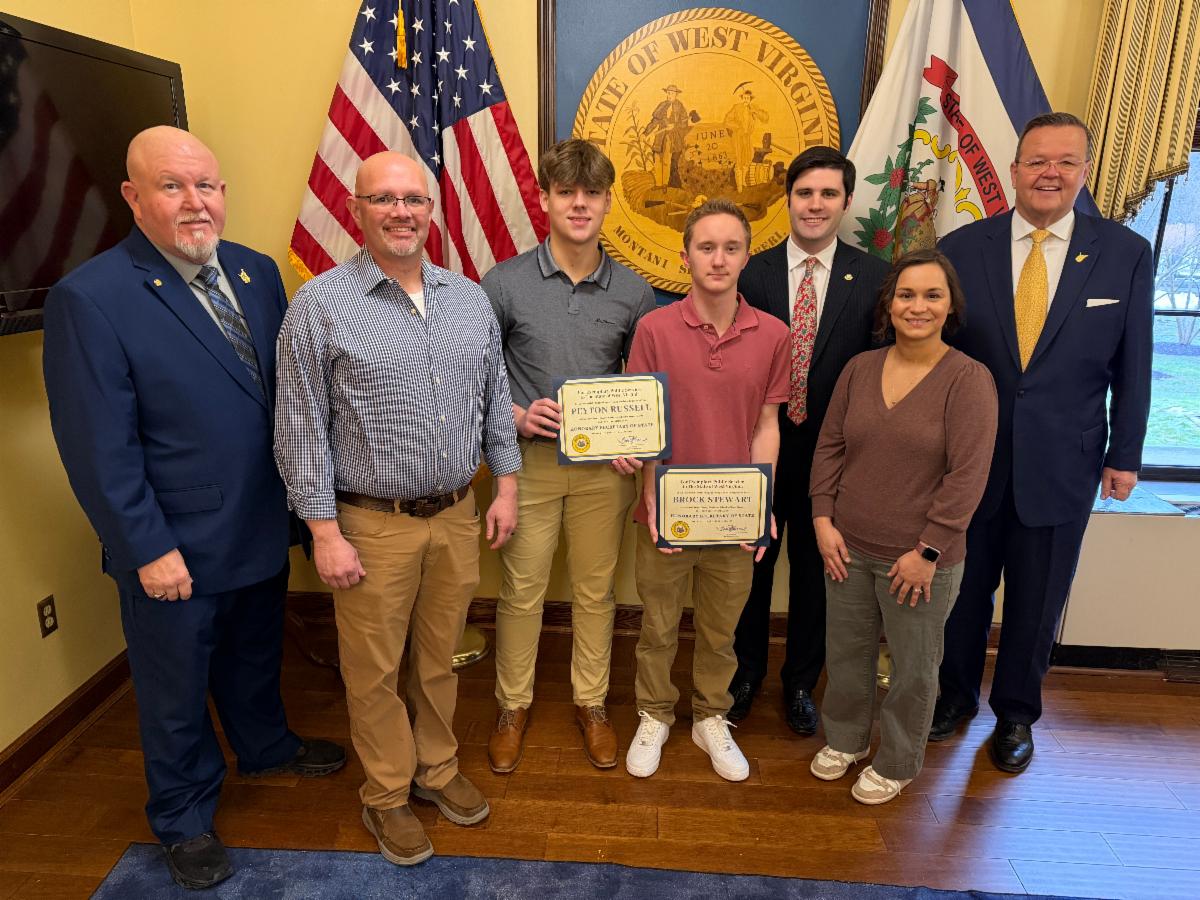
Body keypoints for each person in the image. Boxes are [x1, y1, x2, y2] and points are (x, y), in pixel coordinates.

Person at [42, 126, 345, 891]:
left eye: (206, 185)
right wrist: (146, 546)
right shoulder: (91, 297)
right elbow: (96, 446)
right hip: (172, 543)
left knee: (253, 656)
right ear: (133, 196)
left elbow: (280, 399)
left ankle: (266, 746)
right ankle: (182, 816)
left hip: (256, 521)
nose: (194, 202)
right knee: (174, 691)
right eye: (173, 186)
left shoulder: (254, 272)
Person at [273, 151, 521, 866]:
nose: (401, 212)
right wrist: (323, 531)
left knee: (440, 657)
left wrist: (504, 486)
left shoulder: (469, 298)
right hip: (368, 524)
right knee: (375, 668)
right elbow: (300, 428)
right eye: (384, 199)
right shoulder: (319, 304)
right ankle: (385, 794)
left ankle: (435, 771)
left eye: (413, 199)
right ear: (357, 210)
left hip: (455, 516)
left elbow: (492, 405)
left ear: (432, 209)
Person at [932, 112, 1153, 773]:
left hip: (1065, 461)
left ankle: (1017, 716)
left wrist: (1126, 455)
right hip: (970, 462)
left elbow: (1134, 364)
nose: (1050, 173)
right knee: (964, 593)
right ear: (1015, 169)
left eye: (1065, 161)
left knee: (1038, 597)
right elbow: (938, 358)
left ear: (1083, 171)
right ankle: (953, 699)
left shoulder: (1123, 253)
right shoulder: (964, 248)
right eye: (1037, 161)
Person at [481, 140, 656, 773]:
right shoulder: (503, 282)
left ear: (608, 202)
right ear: (546, 199)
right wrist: (517, 414)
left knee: (596, 591)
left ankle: (592, 702)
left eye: (591, 193)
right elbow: (477, 375)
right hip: (527, 464)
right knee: (522, 590)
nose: (578, 204)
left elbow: (642, 384)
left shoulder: (634, 293)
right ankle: (512, 705)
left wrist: (633, 441)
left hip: (603, 476)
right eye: (566, 193)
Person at [807, 250, 997, 804]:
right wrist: (822, 518)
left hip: (920, 561)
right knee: (845, 655)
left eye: (932, 295)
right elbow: (830, 446)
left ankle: (897, 760)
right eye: (906, 295)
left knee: (914, 670)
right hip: (847, 546)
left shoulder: (968, 380)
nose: (918, 306)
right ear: (888, 305)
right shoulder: (860, 369)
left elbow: (968, 476)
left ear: (950, 306)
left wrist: (928, 550)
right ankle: (844, 739)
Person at [621, 198, 789, 782]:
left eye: (731, 247)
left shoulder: (773, 335)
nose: (718, 259)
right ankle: (655, 713)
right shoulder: (653, 329)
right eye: (706, 247)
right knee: (658, 625)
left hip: (735, 514)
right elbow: (644, 426)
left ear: (746, 256)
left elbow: (767, 427)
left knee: (721, 630)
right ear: (686, 256)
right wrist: (649, 495)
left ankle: (710, 717)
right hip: (667, 508)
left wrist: (763, 503)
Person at [729, 146, 889, 735]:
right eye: (804, 193)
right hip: (759, 450)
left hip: (837, 459)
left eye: (828, 194)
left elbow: (881, 373)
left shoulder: (875, 278)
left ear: (847, 201)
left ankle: (800, 682)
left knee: (819, 576)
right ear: (787, 200)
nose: (815, 205)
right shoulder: (752, 273)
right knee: (751, 567)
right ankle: (743, 674)